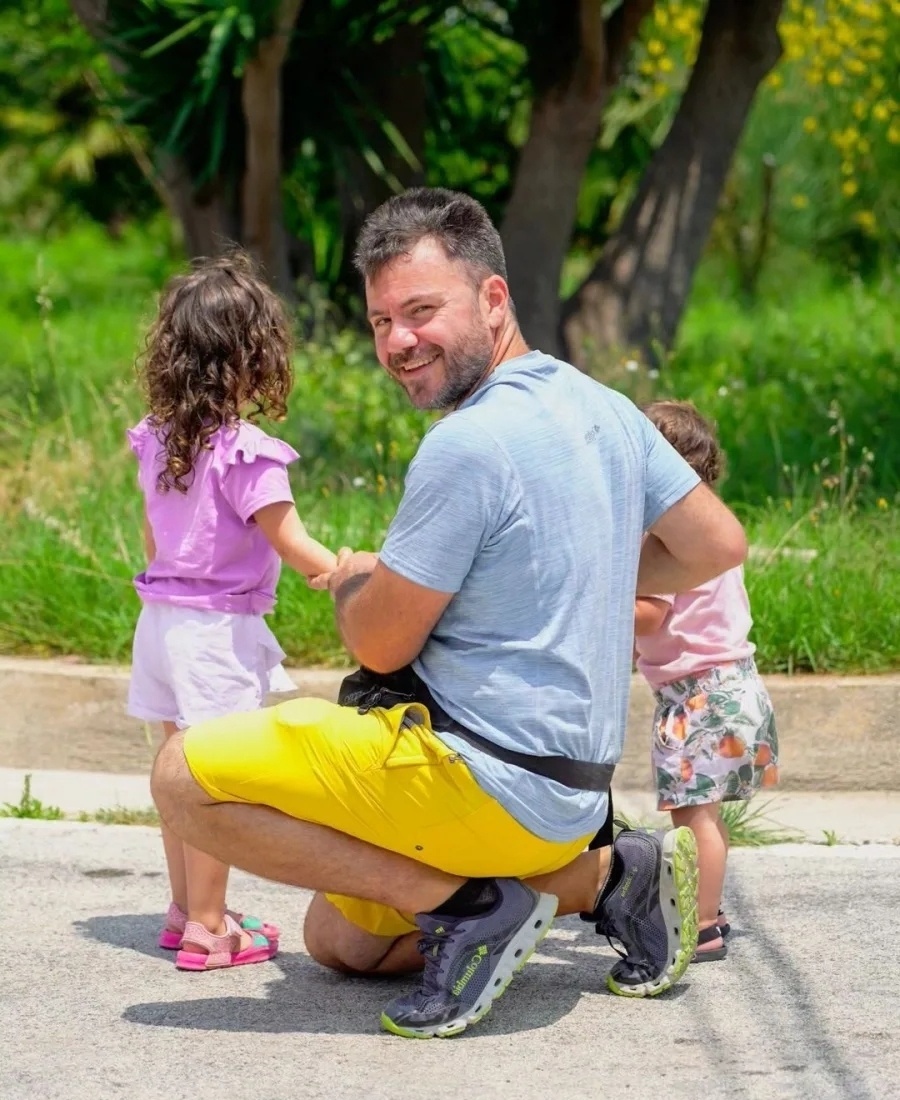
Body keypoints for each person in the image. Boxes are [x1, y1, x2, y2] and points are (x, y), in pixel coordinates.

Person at [150, 188, 748, 1037]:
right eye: (380, 319)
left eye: (421, 310)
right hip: (571, 805)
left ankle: (473, 909)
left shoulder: (465, 444)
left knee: (182, 780)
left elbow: (381, 638)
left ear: (493, 298)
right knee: (337, 942)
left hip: (480, 778)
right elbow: (717, 544)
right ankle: (612, 878)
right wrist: (580, 562)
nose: (398, 340)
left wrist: (361, 576)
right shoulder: (605, 407)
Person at [127, 252, 336, 971]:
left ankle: (186, 907)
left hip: (159, 621)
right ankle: (212, 929)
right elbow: (290, 537)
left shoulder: (157, 438)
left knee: (176, 773)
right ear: (253, 356)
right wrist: (337, 570)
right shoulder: (248, 452)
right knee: (212, 779)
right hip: (215, 630)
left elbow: (152, 534)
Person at [633, 400, 779, 961]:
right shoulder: (708, 524)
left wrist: (595, 609)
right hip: (731, 684)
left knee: (693, 819)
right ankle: (705, 909)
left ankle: (704, 924)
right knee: (704, 815)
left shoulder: (667, 539)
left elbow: (650, 615)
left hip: (699, 696)